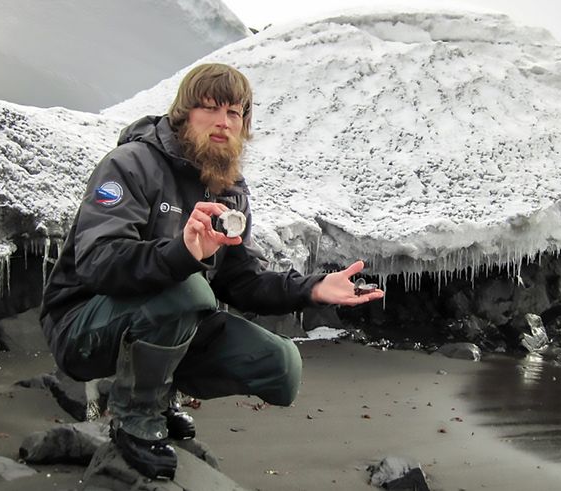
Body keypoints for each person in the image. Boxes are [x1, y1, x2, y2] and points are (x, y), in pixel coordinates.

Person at [39, 63, 384, 480]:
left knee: (281, 366)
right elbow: (98, 262)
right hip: (83, 325)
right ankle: (135, 415)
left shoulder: (229, 189)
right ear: (184, 115)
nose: (223, 123)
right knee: (190, 292)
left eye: (235, 113)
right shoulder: (131, 164)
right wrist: (181, 253)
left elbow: (243, 280)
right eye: (210, 109)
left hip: (166, 322)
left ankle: (160, 390)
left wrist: (312, 289)